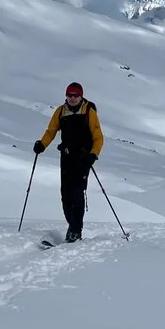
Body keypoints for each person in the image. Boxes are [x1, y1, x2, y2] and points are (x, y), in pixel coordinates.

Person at [33, 81, 104, 243]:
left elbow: (98, 137)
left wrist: (93, 155)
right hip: (66, 158)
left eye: (75, 95)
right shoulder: (60, 112)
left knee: (77, 194)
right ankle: (73, 227)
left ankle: (74, 231)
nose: (72, 98)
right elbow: (51, 131)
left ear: (81, 96)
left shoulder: (89, 112)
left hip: (83, 160)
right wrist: (42, 144)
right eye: (69, 95)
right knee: (66, 197)